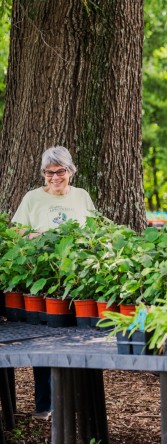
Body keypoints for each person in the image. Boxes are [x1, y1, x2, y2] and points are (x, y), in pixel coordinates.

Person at [11, 146, 95, 420]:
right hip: (43, 279)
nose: (54, 177)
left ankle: (80, 402)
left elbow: (95, 231)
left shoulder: (81, 196)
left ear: (70, 171)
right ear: (43, 173)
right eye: (49, 172)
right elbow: (17, 232)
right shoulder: (32, 198)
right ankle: (45, 405)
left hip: (78, 278)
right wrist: (42, 236)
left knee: (79, 338)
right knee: (44, 340)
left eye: (60, 171)